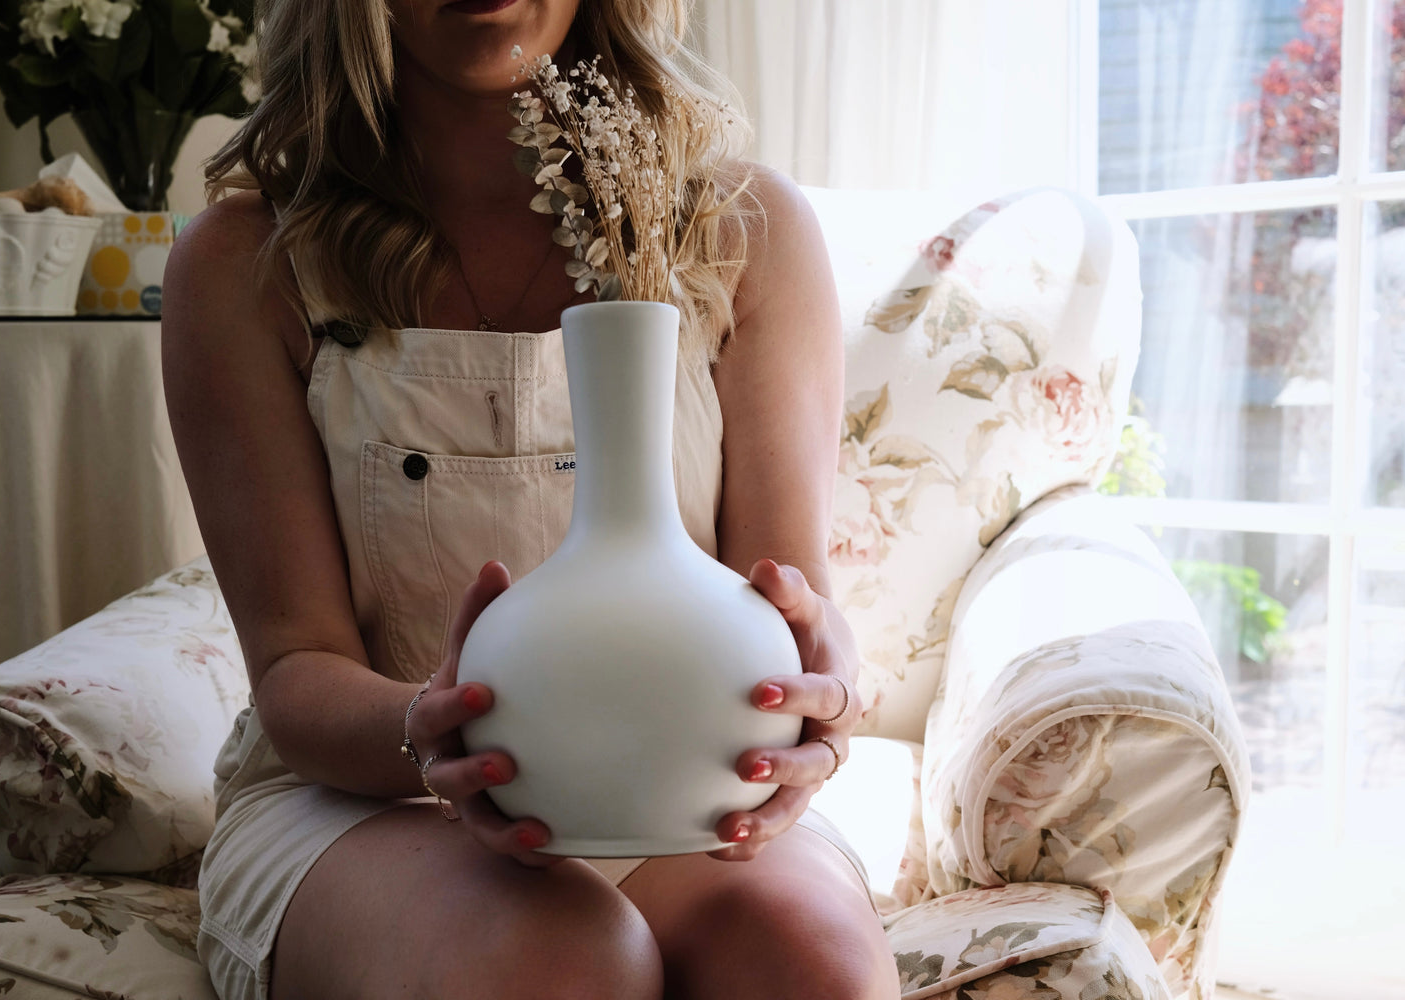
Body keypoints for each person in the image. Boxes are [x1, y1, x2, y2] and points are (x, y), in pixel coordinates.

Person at [162, 0, 899, 997]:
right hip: (369, 802)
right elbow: (297, 668)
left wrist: (824, 670)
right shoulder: (246, 263)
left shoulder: (743, 232)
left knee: (808, 963)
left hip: (672, 779)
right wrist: (433, 728)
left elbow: (788, 593)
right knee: (561, 960)